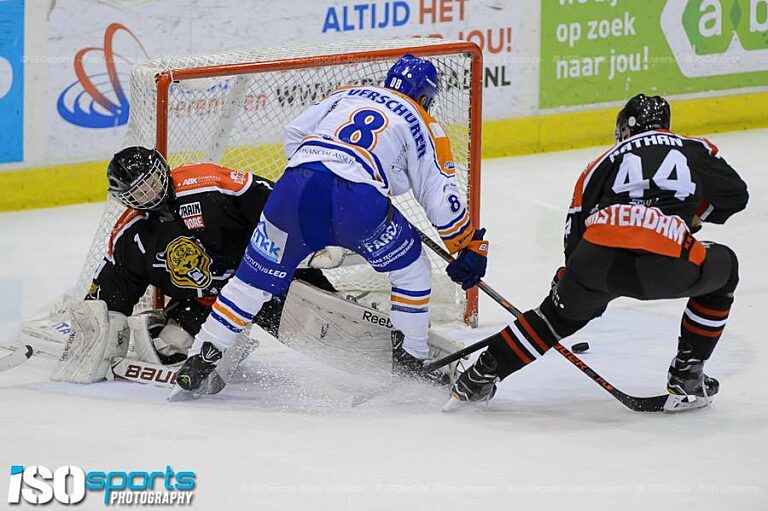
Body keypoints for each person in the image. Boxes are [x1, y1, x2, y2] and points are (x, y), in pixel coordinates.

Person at [175, 54, 490, 392]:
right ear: (427, 97)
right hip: (356, 203)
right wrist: (465, 244)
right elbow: (439, 194)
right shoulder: (422, 120)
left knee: (250, 284)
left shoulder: (348, 94)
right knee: (412, 269)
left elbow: (294, 131)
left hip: (293, 191)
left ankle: (200, 358)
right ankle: (409, 361)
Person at [449, 94, 748, 412]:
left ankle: (480, 375)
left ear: (627, 128)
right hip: (666, 258)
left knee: (555, 317)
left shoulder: (602, 163)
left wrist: (569, 277)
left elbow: (575, 229)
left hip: (598, 258)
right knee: (725, 269)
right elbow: (734, 195)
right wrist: (692, 216)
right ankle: (687, 375)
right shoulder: (692, 148)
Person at [52, 146, 333, 383]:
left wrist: (307, 232)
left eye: (152, 181)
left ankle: (336, 302)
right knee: (170, 345)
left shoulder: (208, 184)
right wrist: (98, 323)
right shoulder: (130, 235)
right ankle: (190, 330)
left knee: (324, 333)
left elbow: (269, 199)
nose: (151, 192)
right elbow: (116, 285)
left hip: (261, 278)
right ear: (126, 198)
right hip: (206, 304)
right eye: (140, 191)